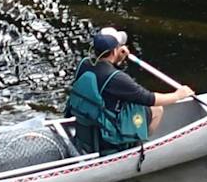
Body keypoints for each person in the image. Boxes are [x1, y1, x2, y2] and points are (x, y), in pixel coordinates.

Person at [64, 27, 194, 155]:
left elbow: (106, 74)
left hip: (87, 127)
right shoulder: (117, 78)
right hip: (106, 135)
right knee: (157, 110)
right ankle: (136, 149)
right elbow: (149, 99)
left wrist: (118, 59)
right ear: (115, 51)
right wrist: (178, 95)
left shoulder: (84, 64)